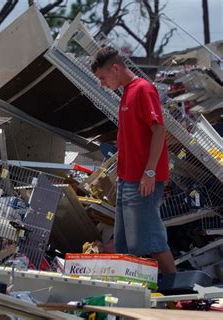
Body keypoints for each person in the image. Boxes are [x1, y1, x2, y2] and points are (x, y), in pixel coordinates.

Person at [91, 47, 176, 274]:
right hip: (127, 179)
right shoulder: (127, 92)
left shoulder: (143, 90)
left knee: (153, 241)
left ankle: (179, 295)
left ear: (116, 69)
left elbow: (159, 131)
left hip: (142, 181)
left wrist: (149, 173)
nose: (102, 83)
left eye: (103, 78)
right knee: (123, 244)